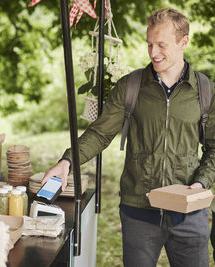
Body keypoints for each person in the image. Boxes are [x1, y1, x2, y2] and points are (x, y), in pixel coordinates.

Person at [42, 8, 215, 267]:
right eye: (149, 44)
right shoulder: (130, 86)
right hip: (138, 212)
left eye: (161, 45)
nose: (153, 53)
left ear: (184, 42)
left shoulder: (204, 90)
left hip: (189, 215)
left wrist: (201, 184)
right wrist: (67, 162)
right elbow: (99, 134)